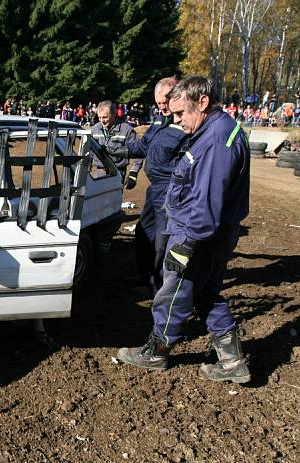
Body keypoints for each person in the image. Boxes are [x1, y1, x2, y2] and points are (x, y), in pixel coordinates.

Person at [117, 76, 251, 384]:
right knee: (204, 292)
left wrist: (186, 245)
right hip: (208, 232)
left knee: (173, 291)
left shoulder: (216, 141)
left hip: (197, 233)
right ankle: (232, 361)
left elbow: (205, 200)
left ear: (202, 102)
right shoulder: (216, 130)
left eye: (180, 113)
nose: (175, 120)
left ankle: (156, 351)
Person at [113, 77, 188, 294]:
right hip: (154, 189)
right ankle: (145, 277)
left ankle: (160, 289)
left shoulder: (186, 125)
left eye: (165, 102)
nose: (162, 107)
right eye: (158, 103)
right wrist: (122, 150)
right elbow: (143, 146)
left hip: (171, 189)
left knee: (162, 241)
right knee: (143, 232)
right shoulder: (157, 121)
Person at [91, 100, 139, 185]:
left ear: (114, 114)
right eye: (99, 117)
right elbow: (89, 152)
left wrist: (133, 173)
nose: (102, 121)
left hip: (117, 173)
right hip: (99, 172)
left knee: (112, 198)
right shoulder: (95, 129)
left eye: (105, 117)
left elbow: (137, 153)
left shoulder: (127, 130)